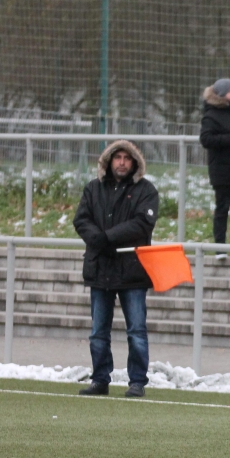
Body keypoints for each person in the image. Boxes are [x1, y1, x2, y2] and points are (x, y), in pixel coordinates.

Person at [73, 140, 159, 398]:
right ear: (109, 161)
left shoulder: (146, 190)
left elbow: (142, 223)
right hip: (101, 269)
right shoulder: (93, 188)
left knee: (136, 331)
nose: (122, 162)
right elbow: (81, 219)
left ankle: (137, 382)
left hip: (133, 271)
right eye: (117, 157)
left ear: (135, 162)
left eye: (127, 158)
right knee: (98, 332)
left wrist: (107, 237)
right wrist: (98, 239)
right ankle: (100, 380)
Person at [199, 78, 230, 259]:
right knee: (222, 209)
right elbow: (206, 139)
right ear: (222, 94)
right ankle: (220, 247)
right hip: (222, 170)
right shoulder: (211, 115)